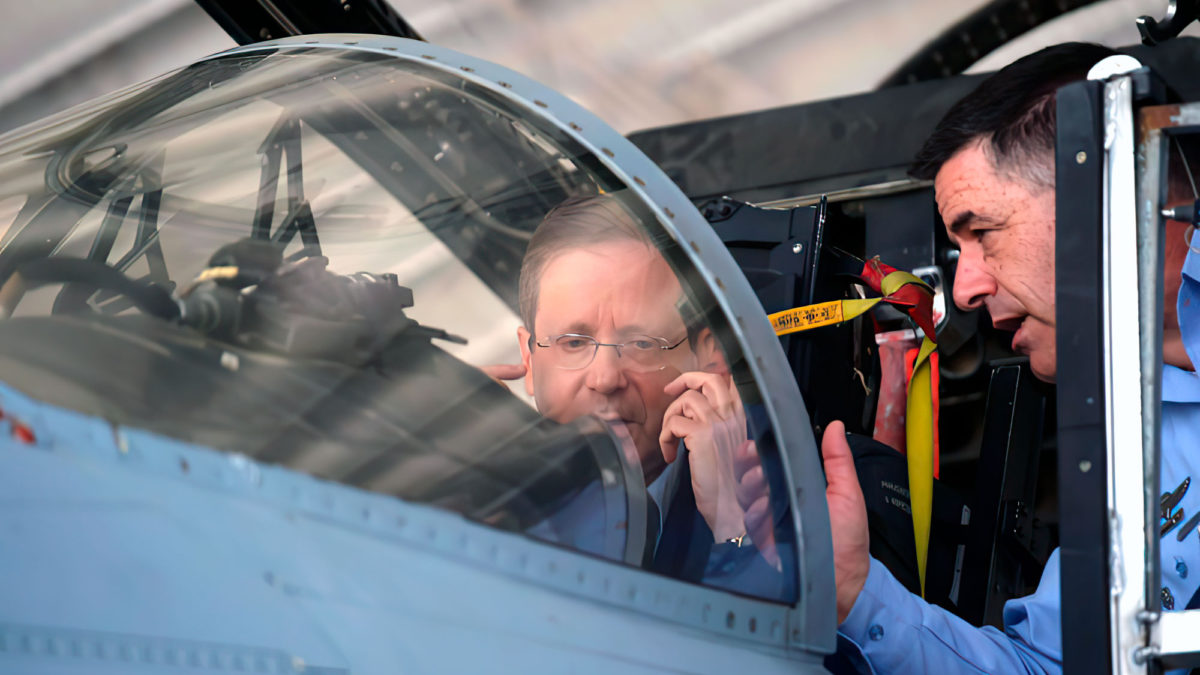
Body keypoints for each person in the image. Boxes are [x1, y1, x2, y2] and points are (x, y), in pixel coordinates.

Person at [819, 42, 1200, 672]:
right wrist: (851, 593)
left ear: (1110, 183)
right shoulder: (1128, 455)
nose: (964, 289)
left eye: (981, 233)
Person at [489, 193, 776, 589]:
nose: (605, 378)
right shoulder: (488, 499)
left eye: (642, 344)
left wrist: (733, 524)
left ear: (709, 357)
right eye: (574, 343)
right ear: (529, 358)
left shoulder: (802, 485)